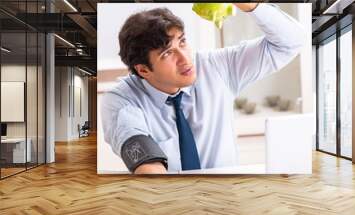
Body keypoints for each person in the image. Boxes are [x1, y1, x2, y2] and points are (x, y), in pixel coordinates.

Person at [101, 3, 305, 174]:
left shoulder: (216, 67)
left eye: (182, 42)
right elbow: (144, 160)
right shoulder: (121, 99)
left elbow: (292, 42)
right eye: (167, 54)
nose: (184, 59)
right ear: (144, 70)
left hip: (228, 201)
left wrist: (251, 5)